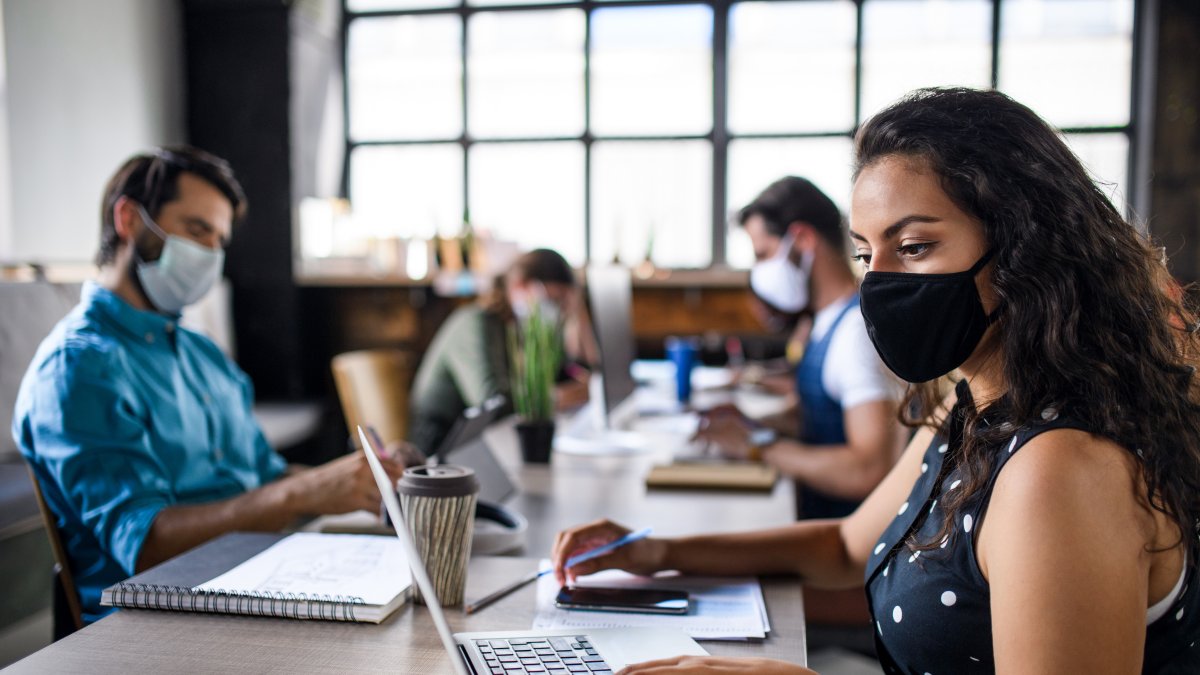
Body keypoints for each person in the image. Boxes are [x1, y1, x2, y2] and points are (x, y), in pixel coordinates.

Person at [552, 87, 1200, 674]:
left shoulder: (1061, 466)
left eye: (913, 246)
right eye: (866, 253)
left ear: (1024, 246)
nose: (879, 282)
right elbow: (841, 543)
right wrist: (655, 549)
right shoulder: (973, 404)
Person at [13, 147, 409, 624]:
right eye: (197, 230)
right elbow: (146, 546)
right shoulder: (78, 369)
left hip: (261, 582)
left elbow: (264, 479)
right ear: (129, 220)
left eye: (219, 240)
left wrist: (358, 481)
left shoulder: (203, 356)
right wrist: (301, 495)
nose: (210, 254)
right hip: (158, 624)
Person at [700, 176, 907, 520]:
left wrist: (756, 447)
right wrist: (751, 425)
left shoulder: (856, 333)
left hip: (841, 544)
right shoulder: (824, 321)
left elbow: (868, 468)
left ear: (803, 239)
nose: (759, 270)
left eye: (763, 254)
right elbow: (818, 420)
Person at [407, 248, 597, 456]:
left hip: (493, 444)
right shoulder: (475, 324)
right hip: (444, 448)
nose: (558, 310)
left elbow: (568, 373)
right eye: (555, 300)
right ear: (520, 285)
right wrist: (554, 398)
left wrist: (578, 318)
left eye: (566, 305)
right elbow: (490, 401)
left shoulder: (528, 330)